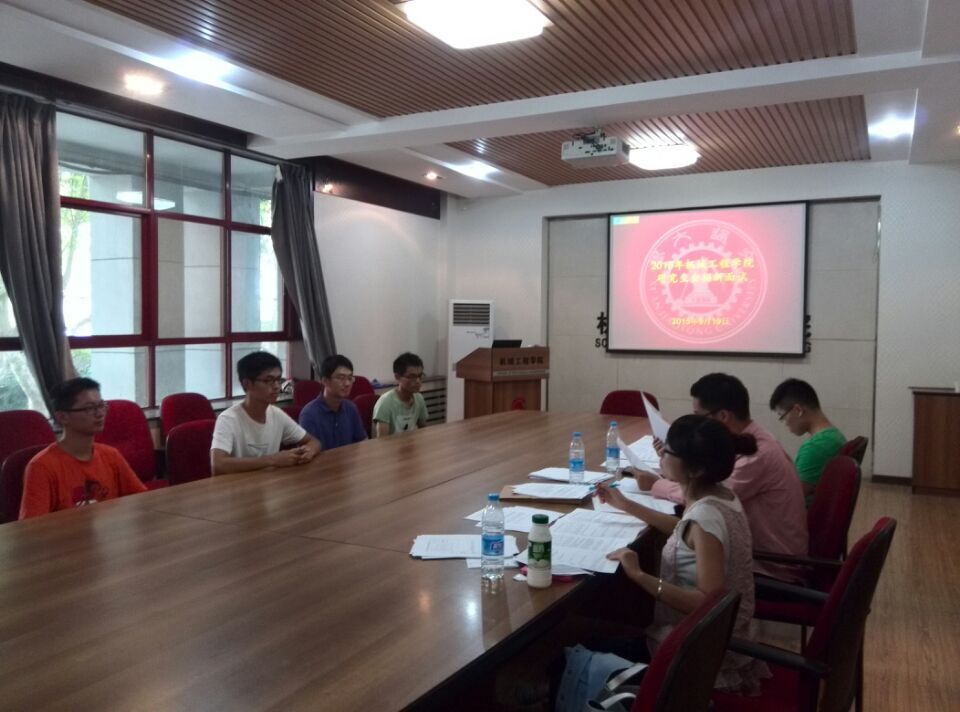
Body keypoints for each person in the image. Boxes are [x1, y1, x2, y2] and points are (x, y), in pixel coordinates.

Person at [555, 415, 769, 709]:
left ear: (695, 469)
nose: (661, 456)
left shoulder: (705, 517)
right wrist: (627, 505)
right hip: (712, 638)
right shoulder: (720, 496)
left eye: (668, 452)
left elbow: (705, 602)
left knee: (572, 651)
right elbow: (685, 532)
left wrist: (638, 575)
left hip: (695, 653)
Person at [625, 373, 807, 582]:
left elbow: (704, 494)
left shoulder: (756, 455)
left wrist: (657, 484)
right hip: (752, 551)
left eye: (699, 416)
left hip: (770, 567)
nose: (698, 424)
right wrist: (676, 461)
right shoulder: (749, 439)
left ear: (723, 416)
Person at [19, 377, 147, 519]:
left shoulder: (111, 455)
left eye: (101, 405)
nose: (99, 413)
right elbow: (31, 527)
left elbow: (142, 500)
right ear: (62, 417)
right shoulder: (41, 467)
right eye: (89, 408)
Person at [211, 351, 320, 475]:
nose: (277, 386)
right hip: (238, 484)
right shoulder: (228, 419)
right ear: (247, 384)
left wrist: (309, 451)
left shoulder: (277, 414)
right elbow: (218, 465)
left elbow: (313, 441)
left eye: (279, 380)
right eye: (268, 380)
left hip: (268, 482)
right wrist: (273, 460)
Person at [769, 378, 847, 506]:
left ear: (798, 410)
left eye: (782, 416)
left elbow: (789, 497)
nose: (785, 423)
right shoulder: (834, 436)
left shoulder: (816, 447)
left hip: (802, 514)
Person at [299, 354, 368, 450]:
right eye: (341, 378)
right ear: (325, 381)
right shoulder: (309, 414)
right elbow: (307, 453)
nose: (347, 383)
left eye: (350, 378)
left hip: (350, 459)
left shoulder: (351, 408)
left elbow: (362, 441)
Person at [372, 352, 429, 437]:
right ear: (397, 377)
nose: (418, 381)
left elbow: (424, 430)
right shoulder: (385, 403)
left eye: (420, 376)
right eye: (412, 376)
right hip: (391, 445)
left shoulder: (419, 398)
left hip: (412, 443)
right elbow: (381, 441)